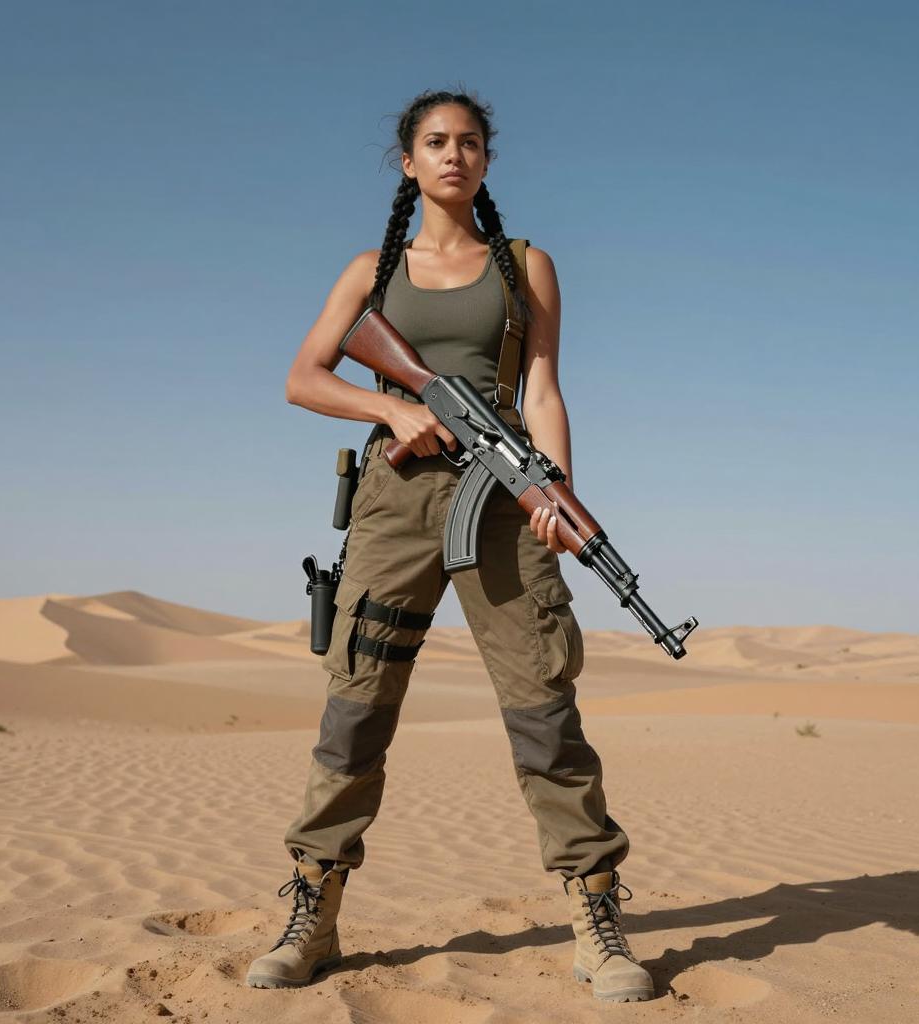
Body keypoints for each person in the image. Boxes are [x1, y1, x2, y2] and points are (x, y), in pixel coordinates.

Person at [247, 89, 654, 1004]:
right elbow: (304, 377)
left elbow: (543, 388)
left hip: (505, 504)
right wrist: (391, 404)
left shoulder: (525, 266)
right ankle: (315, 906)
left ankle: (595, 915)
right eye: (436, 142)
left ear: (487, 160)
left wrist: (557, 493)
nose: (453, 156)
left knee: (545, 707)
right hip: (395, 506)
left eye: (469, 143)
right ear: (408, 161)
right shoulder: (371, 269)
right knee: (356, 708)